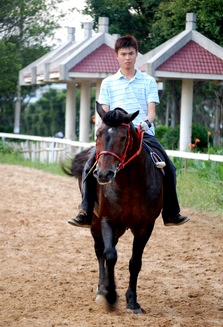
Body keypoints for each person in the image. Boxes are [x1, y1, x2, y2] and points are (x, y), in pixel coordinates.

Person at [68, 35, 189, 228]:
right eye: (123, 54)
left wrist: (145, 124)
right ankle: (85, 212)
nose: (127, 57)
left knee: (170, 167)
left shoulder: (148, 81)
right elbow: (105, 113)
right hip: (114, 136)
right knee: (88, 167)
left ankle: (171, 213)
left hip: (143, 134)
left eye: (131, 53)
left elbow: (151, 113)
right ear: (116, 56)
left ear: (136, 55)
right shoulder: (108, 82)